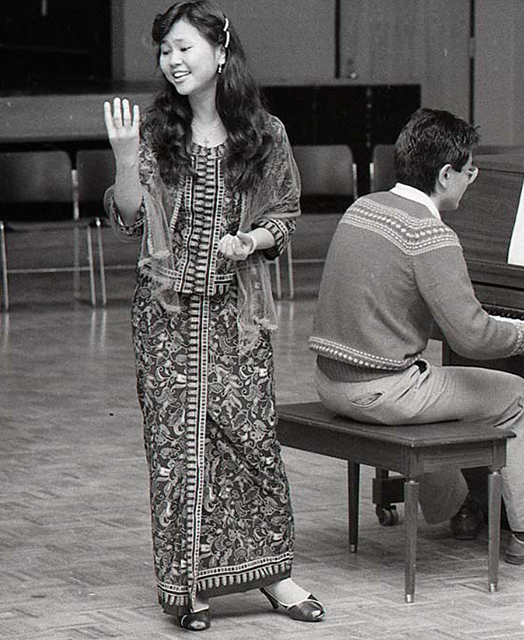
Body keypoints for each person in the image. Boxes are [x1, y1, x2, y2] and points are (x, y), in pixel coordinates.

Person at [102, 1, 323, 631]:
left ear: (221, 52)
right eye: (165, 51)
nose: (172, 61)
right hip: (165, 319)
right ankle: (187, 588)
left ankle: (275, 576)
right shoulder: (153, 134)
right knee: (176, 448)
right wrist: (122, 159)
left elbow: (284, 211)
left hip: (236, 313)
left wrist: (250, 242)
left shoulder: (266, 134)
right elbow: (131, 221)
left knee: (250, 441)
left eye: (184, 48)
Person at [309, 107, 524, 566]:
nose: (472, 179)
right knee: (515, 394)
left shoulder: (363, 207)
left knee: (437, 381)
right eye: (469, 172)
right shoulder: (430, 233)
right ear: (445, 174)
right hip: (381, 393)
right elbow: (474, 338)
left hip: (331, 384)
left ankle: (461, 509)